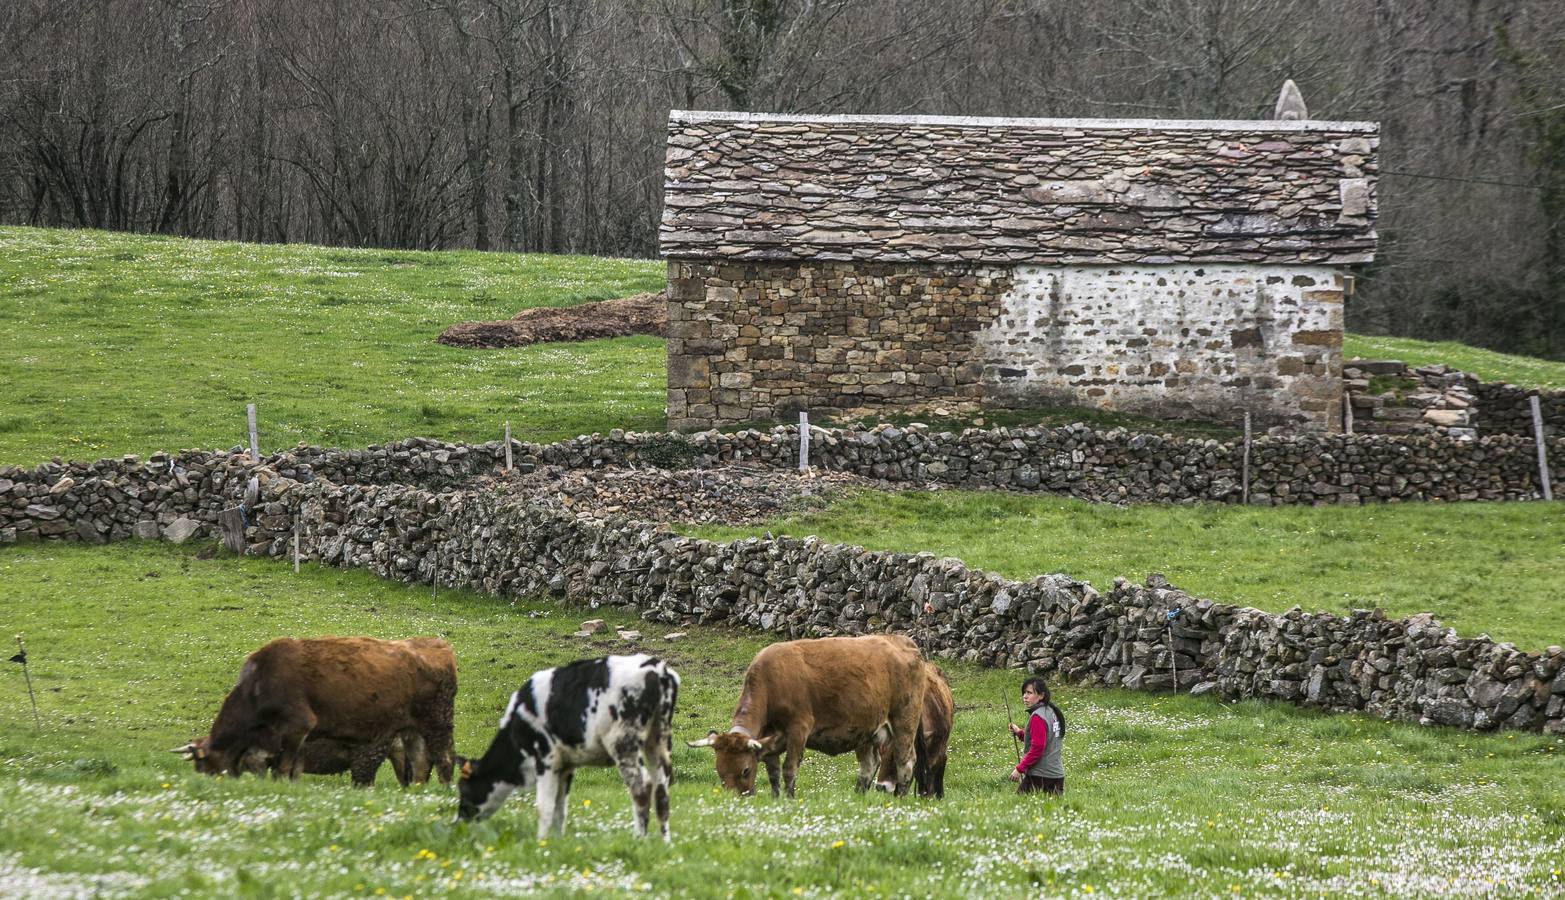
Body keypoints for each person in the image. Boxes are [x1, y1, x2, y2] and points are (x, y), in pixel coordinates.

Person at [1007, 676, 1065, 795]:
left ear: (1041, 695)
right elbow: (1044, 739)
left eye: (1029, 693)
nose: (1025, 696)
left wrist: (1019, 769)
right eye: (1024, 693)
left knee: (1019, 809)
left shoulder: (1038, 717)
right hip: (1056, 776)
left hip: (1040, 776)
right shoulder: (1051, 711)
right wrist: (1020, 733)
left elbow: (1037, 747)